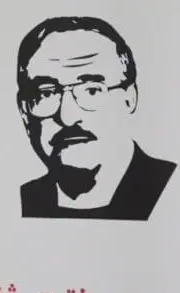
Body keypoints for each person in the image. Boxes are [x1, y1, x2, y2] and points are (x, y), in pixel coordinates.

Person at [16, 16, 176, 221]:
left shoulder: (169, 187)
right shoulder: (21, 201)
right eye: (46, 94)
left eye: (92, 90)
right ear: (24, 111)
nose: (67, 117)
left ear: (129, 99)